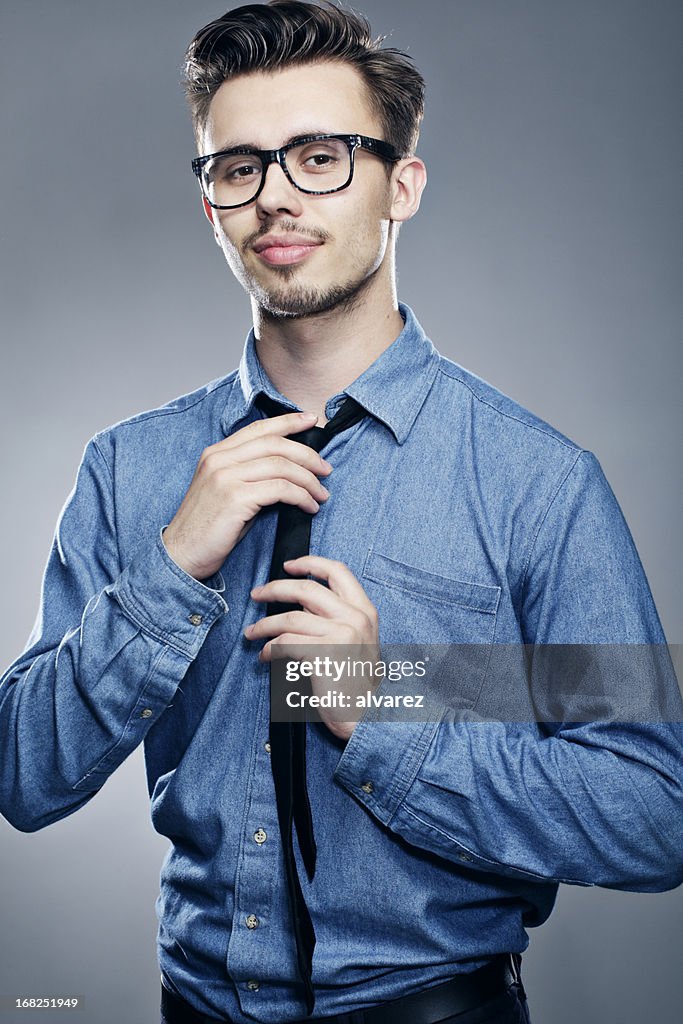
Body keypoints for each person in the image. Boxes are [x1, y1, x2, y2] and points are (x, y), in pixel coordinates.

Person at [1, 2, 681, 1023]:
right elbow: (22, 774)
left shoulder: (534, 481)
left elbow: (652, 812)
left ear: (399, 184)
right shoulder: (129, 471)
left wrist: (383, 713)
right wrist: (169, 574)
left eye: (318, 155)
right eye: (239, 167)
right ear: (211, 204)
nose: (275, 196)